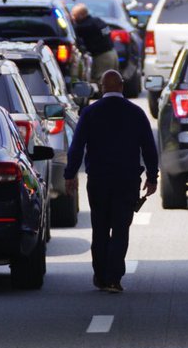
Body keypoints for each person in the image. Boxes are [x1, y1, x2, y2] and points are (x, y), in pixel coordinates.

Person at [64, 69, 158, 293]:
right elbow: (149, 148)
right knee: (121, 229)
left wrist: (70, 176)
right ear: (122, 86)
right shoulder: (136, 113)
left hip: (98, 180)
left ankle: (101, 275)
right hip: (127, 180)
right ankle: (114, 278)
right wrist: (152, 177)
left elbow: (76, 148)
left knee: (100, 228)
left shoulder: (89, 113)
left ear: (102, 87)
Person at [71, 3, 119, 81]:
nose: (73, 18)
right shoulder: (98, 21)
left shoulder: (85, 26)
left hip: (103, 57)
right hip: (112, 54)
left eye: (74, 15)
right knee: (112, 81)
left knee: (103, 81)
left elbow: (75, 33)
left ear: (81, 15)